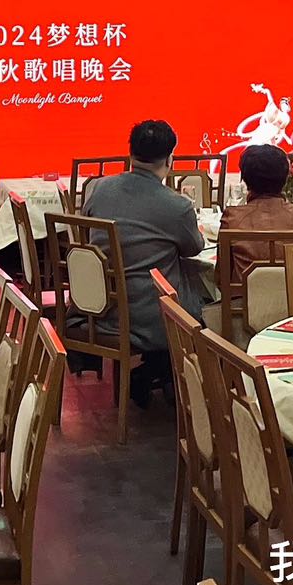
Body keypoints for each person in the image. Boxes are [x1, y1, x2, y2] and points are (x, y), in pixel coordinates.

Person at [77, 119, 205, 404]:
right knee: (201, 302)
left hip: (98, 308)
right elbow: (194, 247)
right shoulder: (175, 205)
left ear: (130, 153)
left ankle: (153, 373)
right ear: (170, 157)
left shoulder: (99, 189)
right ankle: (166, 374)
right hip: (150, 314)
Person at [219, 144, 293, 280]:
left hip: (244, 300)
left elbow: (221, 279)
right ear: (285, 178)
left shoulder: (232, 219)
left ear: (245, 179)